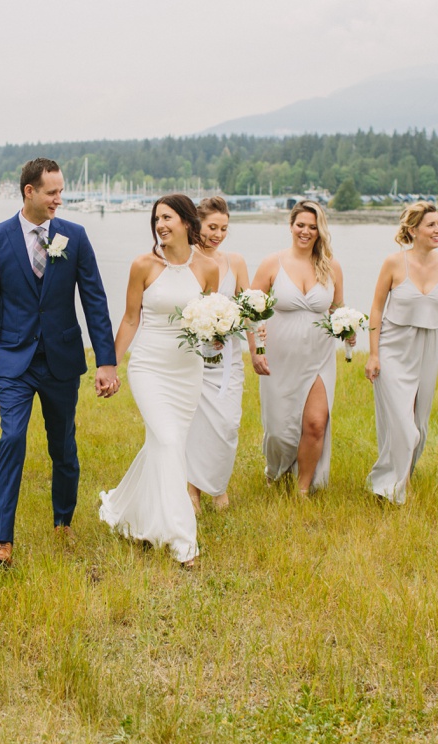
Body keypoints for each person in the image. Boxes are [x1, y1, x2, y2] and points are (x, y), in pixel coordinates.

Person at [0, 158, 118, 568]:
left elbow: (94, 300)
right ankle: (4, 541)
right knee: (12, 440)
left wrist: (105, 361)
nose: (59, 199)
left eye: (60, 191)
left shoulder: (74, 236)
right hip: (13, 361)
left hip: (61, 359)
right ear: (29, 192)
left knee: (63, 446)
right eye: (52, 192)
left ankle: (63, 521)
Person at [99, 195, 219, 566]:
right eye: (156, 219)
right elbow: (131, 319)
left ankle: (130, 509)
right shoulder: (143, 265)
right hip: (149, 367)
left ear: (186, 222)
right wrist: (110, 366)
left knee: (165, 447)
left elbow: (212, 318)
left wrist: (216, 334)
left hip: (188, 371)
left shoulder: (209, 269)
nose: (160, 224)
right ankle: (184, 542)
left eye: (167, 217)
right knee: (168, 442)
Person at [364, 201, 438, 504]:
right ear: (413, 230)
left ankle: (402, 474)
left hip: (428, 347)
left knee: (418, 424)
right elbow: (376, 309)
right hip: (393, 346)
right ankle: (392, 487)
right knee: (401, 423)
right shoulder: (394, 263)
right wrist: (373, 354)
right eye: (431, 225)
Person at [251, 200, 348, 496]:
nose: (305, 231)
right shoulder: (272, 263)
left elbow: (337, 310)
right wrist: (257, 350)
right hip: (279, 357)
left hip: (319, 356)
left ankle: (303, 489)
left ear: (320, 230)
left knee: (316, 424)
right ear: (291, 226)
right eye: (300, 225)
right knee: (280, 430)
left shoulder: (331, 266)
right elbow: (250, 310)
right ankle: (275, 471)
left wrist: (349, 329)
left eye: (312, 226)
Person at [184, 196, 249, 512]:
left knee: (227, 422)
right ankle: (192, 489)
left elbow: (247, 308)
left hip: (229, 359)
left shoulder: (235, 261)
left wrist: (255, 342)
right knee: (196, 423)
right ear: (197, 224)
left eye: (224, 228)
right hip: (194, 357)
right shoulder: (186, 260)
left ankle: (218, 485)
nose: (218, 234)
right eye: (212, 227)